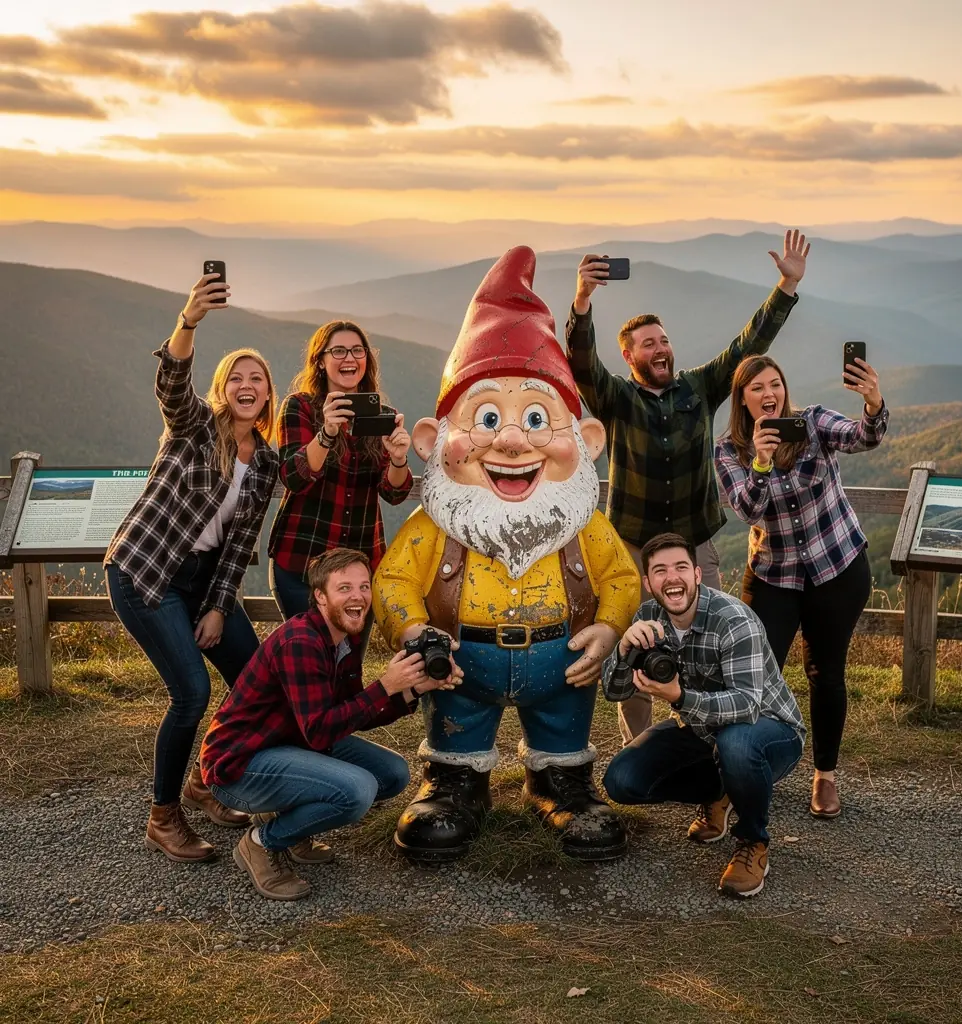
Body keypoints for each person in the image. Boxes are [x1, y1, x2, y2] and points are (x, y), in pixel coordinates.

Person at [373, 245, 640, 865]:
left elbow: (621, 576)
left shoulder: (583, 524)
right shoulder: (433, 526)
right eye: (487, 416)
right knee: (459, 730)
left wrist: (607, 626)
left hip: (561, 665)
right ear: (433, 443)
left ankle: (561, 777)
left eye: (537, 418)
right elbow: (393, 583)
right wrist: (415, 632)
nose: (513, 440)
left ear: (586, 442)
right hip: (463, 667)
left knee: (562, 730)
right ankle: (455, 780)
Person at [566, 230, 811, 745]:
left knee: (712, 641)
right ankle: (641, 744)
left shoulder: (699, 387)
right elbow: (584, 364)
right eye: (648, 343)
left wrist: (785, 288)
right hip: (633, 546)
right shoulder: (616, 400)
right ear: (630, 356)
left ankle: (709, 740)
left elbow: (749, 347)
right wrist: (583, 301)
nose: (661, 348)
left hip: (696, 542)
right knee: (635, 645)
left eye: (664, 339)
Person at [105, 272, 279, 863]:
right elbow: (171, 382)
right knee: (191, 692)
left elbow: (238, 546)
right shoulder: (195, 428)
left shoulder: (268, 462)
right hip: (145, 572)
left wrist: (217, 607)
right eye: (237, 376)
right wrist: (190, 320)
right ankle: (163, 815)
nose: (247, 385)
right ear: (222, 387)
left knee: (255, 677)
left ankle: (205, 782)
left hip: (203, 580)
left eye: (258, 379)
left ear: (268, 395)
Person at [200, 547, 461, 901]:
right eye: (345, 588)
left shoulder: (345, 639)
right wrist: (384, 686)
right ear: (320, 597)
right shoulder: (301, 642)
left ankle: (288, 823)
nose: (358, 596)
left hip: (291, 742)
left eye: (364, 587)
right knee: (357, 790)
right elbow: (321, 730)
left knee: (393, 773)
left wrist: (411, 690)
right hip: (240, 765)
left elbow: (352, 714)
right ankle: (262, 842)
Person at [714, 353, 888, 818]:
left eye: (775, 383)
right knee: (751, 674)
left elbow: (862, 437)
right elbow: (749, 510)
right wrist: (763, 461)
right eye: (757, 388)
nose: (769, 394)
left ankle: (825, 776)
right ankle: (740, 770)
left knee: (825, 672)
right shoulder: (730, 449)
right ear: (742, 398)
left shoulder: (812, 423)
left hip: (838, 567)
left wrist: (872, 403)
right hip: (775, 574)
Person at [602, 534, 805, 898]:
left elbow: (745, 706)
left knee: (737, 742)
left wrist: (679, 696)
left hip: (770, 731)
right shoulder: (648, 617)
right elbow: (612, 692)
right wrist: (623, 649)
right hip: (700, 730)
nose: (672, 578)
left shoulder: (733, 619)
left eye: (681, 567)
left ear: (697, 574)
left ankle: (753, 841)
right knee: (621, 780)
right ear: (648, 583)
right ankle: (721, 790)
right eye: (660, 571)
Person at [268, 319, 413, 632]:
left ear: (367, 360)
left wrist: (399, 459)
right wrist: (327, 432)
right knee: (308, 655)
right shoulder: (300, 407)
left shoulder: (380, 416)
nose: (349, 358)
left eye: (357, 350)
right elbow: (294, 477)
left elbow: (394, 492)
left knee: (348, 666)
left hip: (359, 571)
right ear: (320, 361)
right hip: (302, 563)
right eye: (339, 351)